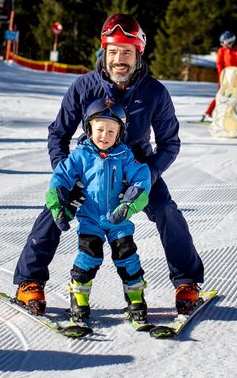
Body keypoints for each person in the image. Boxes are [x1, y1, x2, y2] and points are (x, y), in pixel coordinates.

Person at [14, 13, 205, 316]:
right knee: (55, 210)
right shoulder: (83, 87)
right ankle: (29, 282)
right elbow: (58, 134)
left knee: (167, 210)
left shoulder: (155, 92)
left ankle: (187, 282)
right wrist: (67, 176)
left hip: (136, 171)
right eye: (113, 51)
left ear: (138, 54)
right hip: (89, 170)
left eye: (127, 52)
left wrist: (148, 177)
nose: (119, 59)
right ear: (104, 51)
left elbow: (170, 143)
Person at [46, 98, 153, 323]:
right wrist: (58, 205)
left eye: (111, 131)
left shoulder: (124, 156)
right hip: (90, 219)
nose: (105, 136)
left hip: (118, 219)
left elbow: (141, 176)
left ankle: (136, 300)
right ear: (89, 128)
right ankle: (79, 300)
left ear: (120, 133)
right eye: (100, 129)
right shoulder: (80, 155)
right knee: (89, 256)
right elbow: (61, 176)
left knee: (127, 255)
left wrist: (129, 204)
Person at [201, 30, 237, 122]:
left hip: (236, 78)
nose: (223, 45)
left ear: (230, 42)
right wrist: (222, 75)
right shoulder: (221, 51)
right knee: (220, 96)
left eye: (224, 42)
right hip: (225, 78)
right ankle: (207, 114)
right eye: (222, 43)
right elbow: (219, 64)